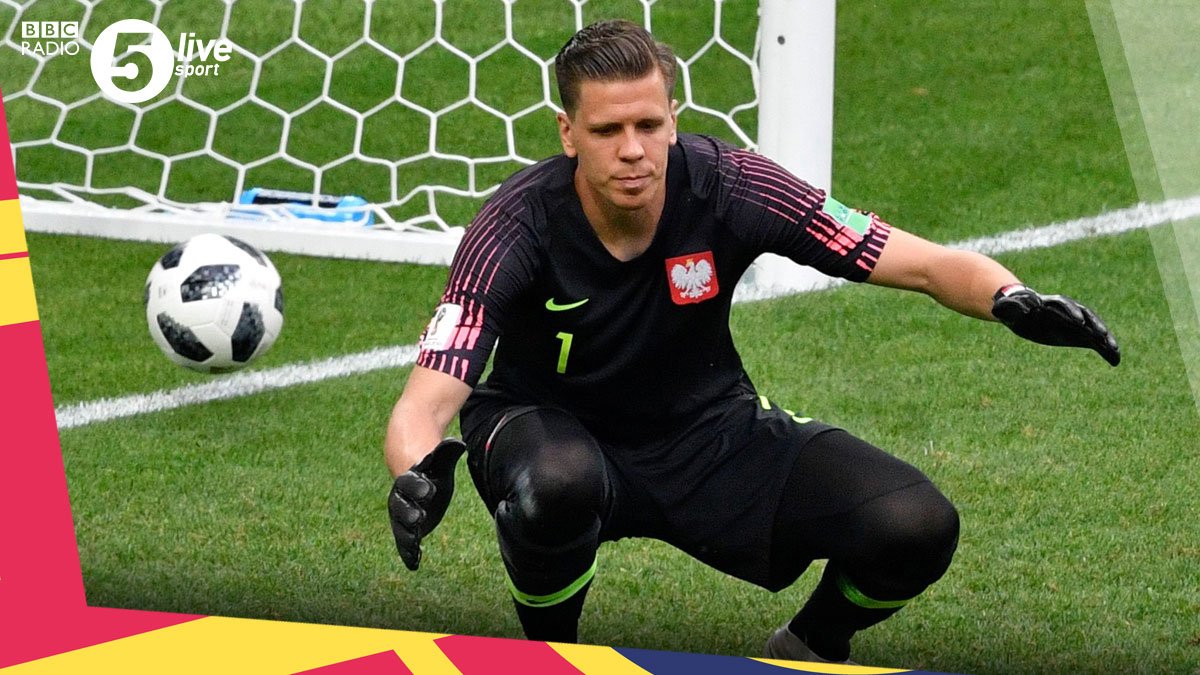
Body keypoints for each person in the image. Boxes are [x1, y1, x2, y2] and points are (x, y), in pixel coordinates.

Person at [384, 19, 1120, 664]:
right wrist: (414, 472)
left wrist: (1007, 297)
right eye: (607, 131)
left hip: (703, 428)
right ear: (567, 132)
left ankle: (807, 649)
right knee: (558, 484)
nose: (633, 150)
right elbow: (426, 400)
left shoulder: (732, 185)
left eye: (648, 125)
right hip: (544, 429)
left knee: (915, 524)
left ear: (674, 119)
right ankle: (552, 658)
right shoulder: (512, 225)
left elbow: (919, 262)